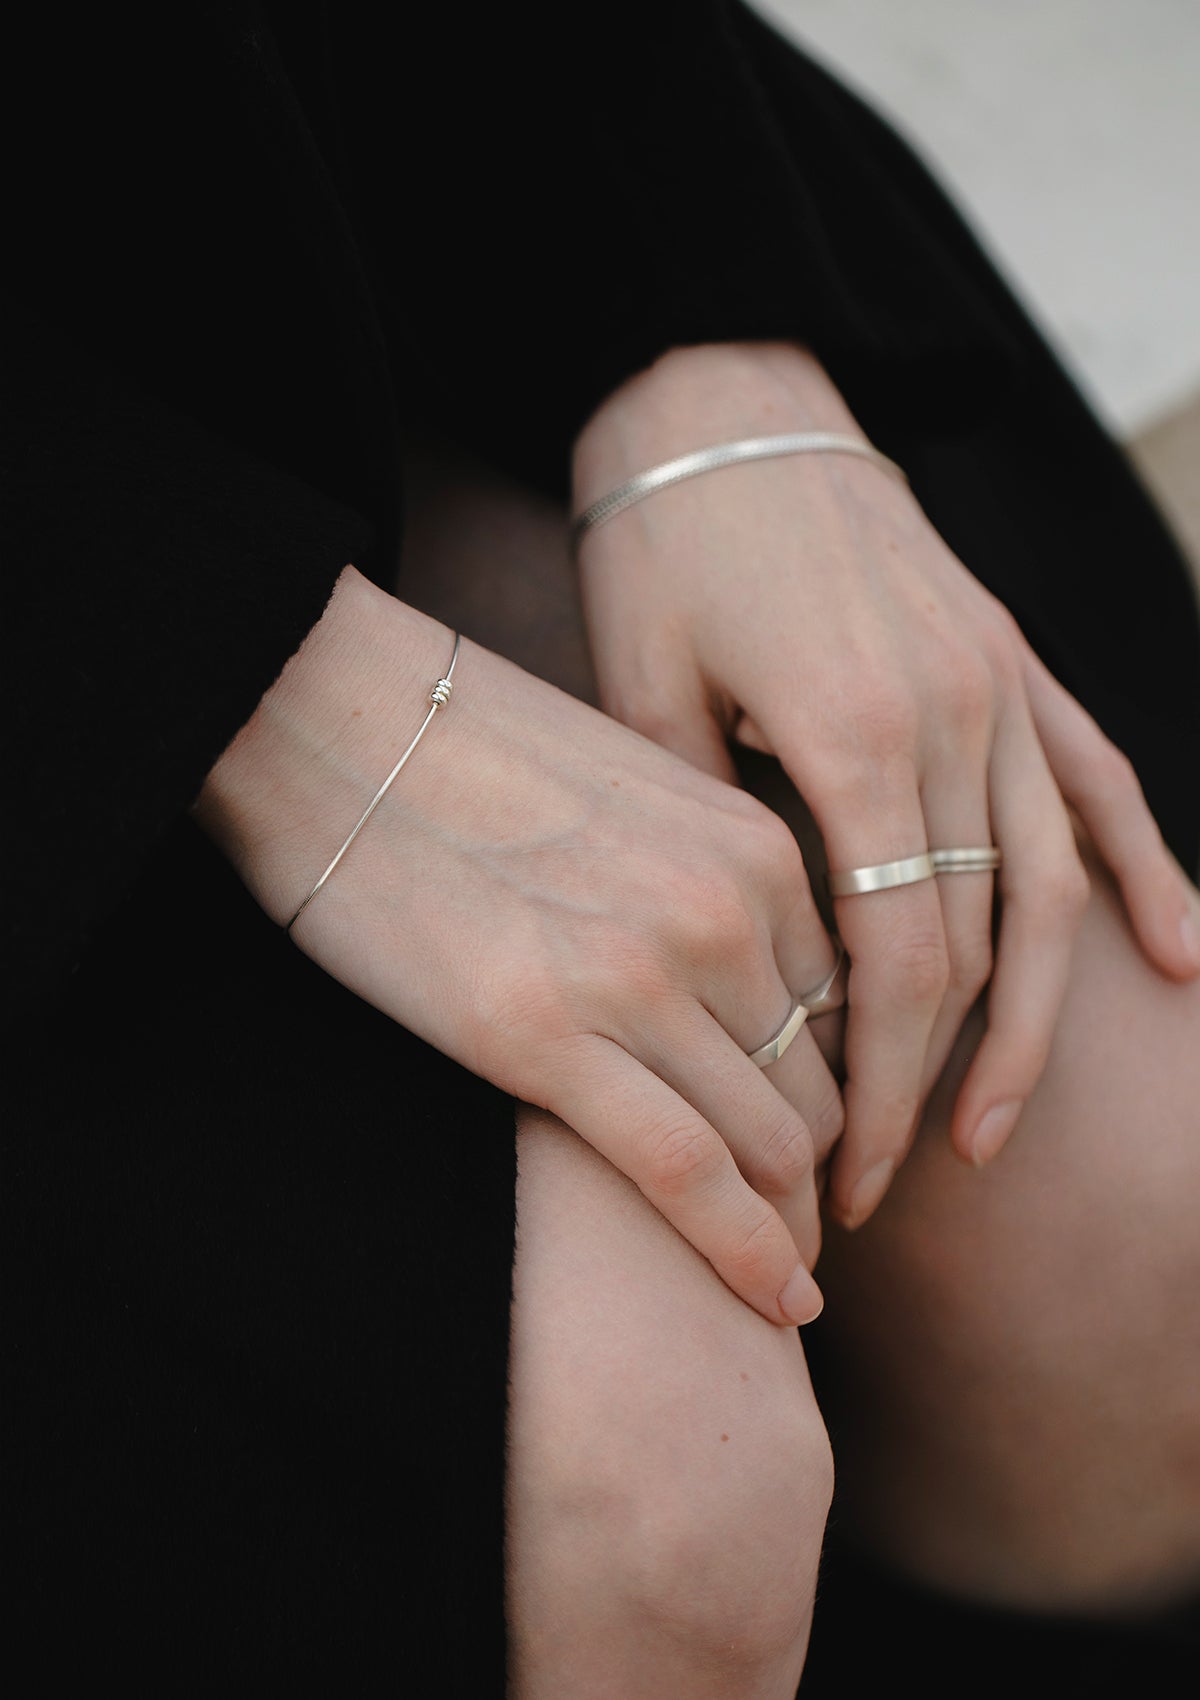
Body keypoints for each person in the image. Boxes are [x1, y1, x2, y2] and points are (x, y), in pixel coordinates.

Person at [4, 3, 1198, 1693]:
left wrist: (696, 324)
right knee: (639, 1493)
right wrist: (226, 663)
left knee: (1128, 1242)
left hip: (299, 114)